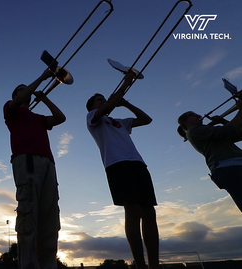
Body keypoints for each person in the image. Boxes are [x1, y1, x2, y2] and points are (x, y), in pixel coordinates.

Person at [86, 71, 159, 269]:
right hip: (116, 164)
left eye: (103, 99)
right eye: (99, 100)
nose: (103, 102)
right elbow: (108, 105)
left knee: (149, 212)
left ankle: (154, 265)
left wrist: (125, 103)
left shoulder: (120, 122)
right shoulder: (93, 117)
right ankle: (140, 265)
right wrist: (126, 82)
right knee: (133, 210)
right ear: (92, 106)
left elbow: (146, 119)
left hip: (137, 162)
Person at [3, 69, 66, 269]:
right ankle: (28, 265)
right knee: (28, 215)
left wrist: (44, 97)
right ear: (16, 96)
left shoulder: (38, 117)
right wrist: (40, 78)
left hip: (48, 163)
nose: (26, 92)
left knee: (49, 219)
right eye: (22, 90)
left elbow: (60, 117)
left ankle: (48, 265)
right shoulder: (10, 109)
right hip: (27, 161)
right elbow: (21, 97)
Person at [177, 97, 242, 212]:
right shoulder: (194, 131)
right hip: (229, 168)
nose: (197, 115)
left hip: (232, 168)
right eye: (192, 114)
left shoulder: (205, 131)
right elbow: (228, 130)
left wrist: (222, 121)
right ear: (185, 122)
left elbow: (236, 133)